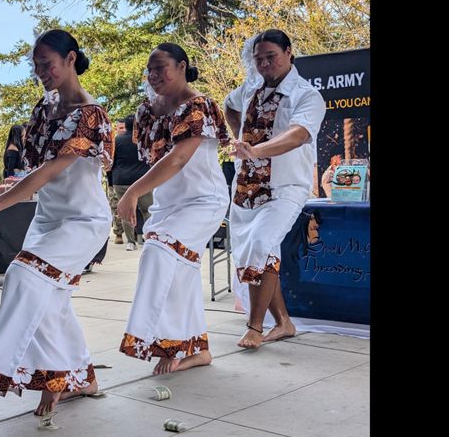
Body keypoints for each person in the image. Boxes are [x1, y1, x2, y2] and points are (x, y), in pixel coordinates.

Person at [0, 29, 114, 416]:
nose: (40, 72)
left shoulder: (90, 113)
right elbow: (35, 168)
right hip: (46, 218)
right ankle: (80, 379)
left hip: (84, 221)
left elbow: (53, 169)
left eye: (46, 63)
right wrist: (10, 188)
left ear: (70, 59)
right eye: (35, 65)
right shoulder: (42, 108)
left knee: (23, 275)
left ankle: (45, 376)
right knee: (51, 300)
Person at [117, 43, 230, 376]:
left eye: (160, 68)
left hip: (204, 201)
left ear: (181, 66)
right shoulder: (145, 110)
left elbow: (178, 158)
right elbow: (153, 160)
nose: (153, 75)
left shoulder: (199, 106)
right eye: (149, 70)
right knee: (181, 269)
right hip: (167, 203)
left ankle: (166, 342)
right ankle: (197, 350)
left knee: (158, 250)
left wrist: (132, 193)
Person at [223, 29, 326, 350]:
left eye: (271, 56)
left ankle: (254, 327)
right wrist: (240, 136)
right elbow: (229, 104)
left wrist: (255, 150)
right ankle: (284, 323)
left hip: (284, 187)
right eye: (259, 59)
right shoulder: (250, 89)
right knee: (254, 253)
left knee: (260, 244)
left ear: (288, 52)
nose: (265, 64)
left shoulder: (306, 95)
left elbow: (298, 134)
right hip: (246, 188)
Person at [112, 114, 153, 251]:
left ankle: (130, 242)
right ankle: (149, 238)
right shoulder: (144, 139)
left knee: (126, 211)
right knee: (147, 210)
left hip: (121, 180)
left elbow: (110, 162)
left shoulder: (116, 141)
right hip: (142, 180)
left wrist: (111, 180)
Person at [106, 123, 126, 244]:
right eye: (121, 128)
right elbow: (109, 164)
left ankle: (135, 233)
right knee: (115, 207)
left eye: (125, 127)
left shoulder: (134, 142)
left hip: (130, 180)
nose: (123, 130)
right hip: (116, 180)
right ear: (116, 129)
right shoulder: (113, 144)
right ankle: (118, 233)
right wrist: (110, 181)